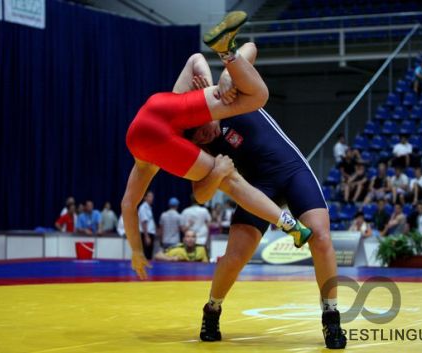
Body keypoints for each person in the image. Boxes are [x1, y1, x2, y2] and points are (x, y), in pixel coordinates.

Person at [121, 11, 312, 281]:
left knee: (254, 104)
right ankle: (289, 224)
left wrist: (136, 252)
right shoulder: (161, 151)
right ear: (199, 140)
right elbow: (197, 59)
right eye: (205, 135)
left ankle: (289, 225)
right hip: (162, 112)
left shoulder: (148, 158)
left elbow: (128, 204)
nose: (211, 133)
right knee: (233, 167)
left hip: (151, 119)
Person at [184, 58, 346, 348]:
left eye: (201, 128)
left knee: (320, 238)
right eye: (196, 138)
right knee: (234, 258)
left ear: (205, 106)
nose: (203, 136)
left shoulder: (229, 97)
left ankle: (331, 316)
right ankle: (212, 308)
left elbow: (249, 49)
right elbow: (199, 194)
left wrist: (225, 76)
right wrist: (217, 171)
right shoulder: (207, 150)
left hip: (293, 171)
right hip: (258, 190)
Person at [138, 191, 157, 259]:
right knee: (146, 255)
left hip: (150, 233)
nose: (151, 198)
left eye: (152, 196)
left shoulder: (149, 207)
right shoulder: (143, 207)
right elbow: (144, 222)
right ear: (144, 197)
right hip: (146, 234)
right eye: (149, 196)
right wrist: (146, 236)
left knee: (149, 255)